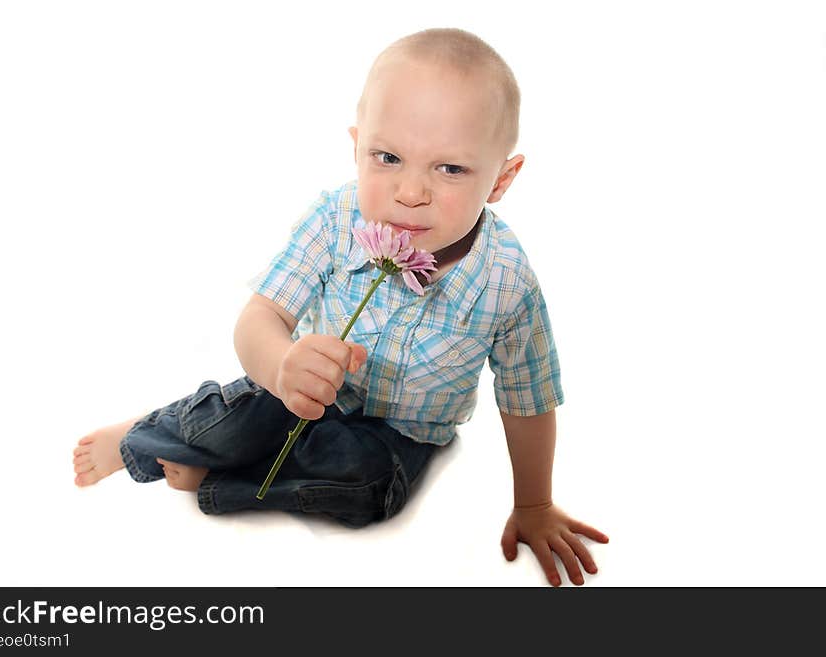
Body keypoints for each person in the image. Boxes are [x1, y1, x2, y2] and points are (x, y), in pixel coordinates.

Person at [72, 27, 609, 586]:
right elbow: (261, 320)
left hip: (402, 432)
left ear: (502, 179)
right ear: (357, 147)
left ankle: (219, 479)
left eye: (450, 169)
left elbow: (528, 397)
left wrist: (534, 505)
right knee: (240, 417)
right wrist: (282, 366)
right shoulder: (334, 219)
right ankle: (144, 437)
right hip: (298, 390)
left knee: (371, 493)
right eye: (388, 157)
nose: (410, 191)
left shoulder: (506, 280)